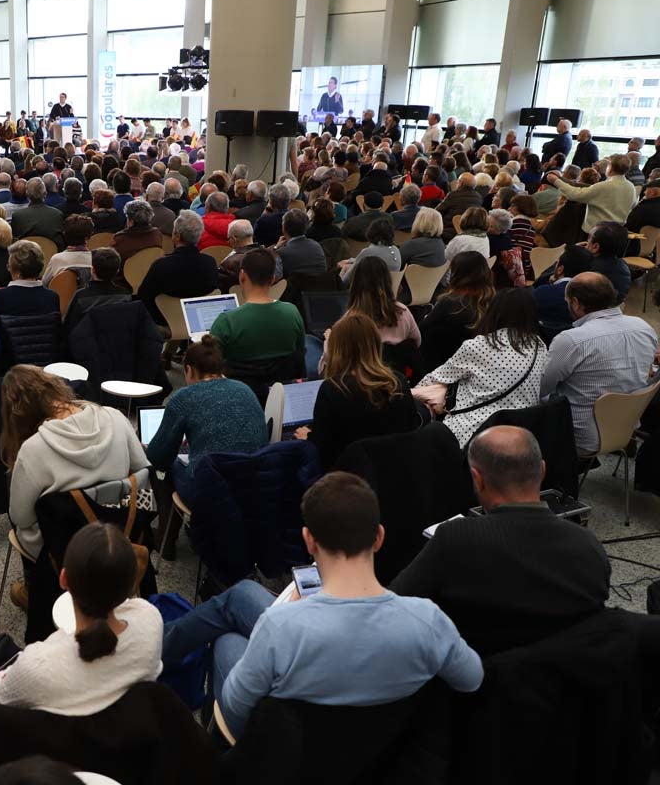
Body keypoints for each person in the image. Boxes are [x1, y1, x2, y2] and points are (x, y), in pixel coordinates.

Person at [160, 471, 482, 740]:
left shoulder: (281, 626)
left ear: (309, 540)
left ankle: (153, 656)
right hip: (374, 752)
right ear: (379, 537)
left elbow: (234, 709)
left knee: (227, 640)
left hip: (291, 752)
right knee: (242, 594)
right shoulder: (429, 621)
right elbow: (472, 680)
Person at [0, 523, 163, 783]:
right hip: (109, 747)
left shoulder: (40, 664)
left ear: (63, 579)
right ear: (132, 584)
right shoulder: (151, 622)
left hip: (45, 746)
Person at [391, 426, 609, 656]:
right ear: (542, 470)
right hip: (565, 671)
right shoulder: (589, 546)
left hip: (478, 671)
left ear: (477, 479)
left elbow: (396, 606)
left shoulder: (455, 539)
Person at [2, 365, 148, 560]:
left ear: (17, 414)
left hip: (61, 549)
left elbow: (21, 517)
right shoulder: (115, 417)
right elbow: (142, 471)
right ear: (56, 386)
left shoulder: (32, 450)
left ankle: (35, 577)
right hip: (118, 534)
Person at [540, 272, 658, 456]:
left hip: (580, 438)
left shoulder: (572, 340)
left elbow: (541, 388)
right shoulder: (644, 327)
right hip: (626, 429)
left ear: (576, 303)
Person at [413, 288, 549, 447]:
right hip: (519, 437)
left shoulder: (479, 346)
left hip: (471, 434)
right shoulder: (539, 347)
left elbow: (436, 378)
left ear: (494, 312)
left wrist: (412, 394)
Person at [146, 336, 266, 500]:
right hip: (255, 486)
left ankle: (168, 516)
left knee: (168, 466)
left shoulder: (183, 398)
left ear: (188, 369)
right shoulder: (245, 389)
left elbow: (158, 458)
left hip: (210, 492)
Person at [299, 313, 420, 469]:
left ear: (337, 349)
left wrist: (308, 438)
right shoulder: (398, 382)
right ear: (375, 344)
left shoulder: (332, 389)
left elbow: (323, 450)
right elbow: (412, 433)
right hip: (396, 471)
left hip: (348, 477)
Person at [210, 248, 305, 369]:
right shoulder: (293, 314)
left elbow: (210, 366)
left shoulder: (226, 321)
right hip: (283, 380)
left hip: (239, 381)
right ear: (273, 279)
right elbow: (300, 355)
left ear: (242, 276)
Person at [418, 250, 495, 371]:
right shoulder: (493, 300)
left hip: (446, 364)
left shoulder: (450, 302)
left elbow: (421, 329)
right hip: (479, 362)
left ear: (457, 274)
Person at [137, 210, 218, 324]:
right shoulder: (210, 263)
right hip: (201, 322)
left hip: (166, 322)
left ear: (177, 236)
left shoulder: (161, 266)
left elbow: (144, 297)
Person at [545, 154, 637, 232]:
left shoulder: (603, 186)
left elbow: (574, 194)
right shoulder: (631, 187)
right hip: (617, 232)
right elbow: (633, 206)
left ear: (610, 168)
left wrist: (556, 181)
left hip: (596, 232)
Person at [64, 247, 132, 333]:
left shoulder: (81, 297)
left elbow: (69, 326)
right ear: (117, 271)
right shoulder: (125, 296)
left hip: (88, 338)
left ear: (93, 270)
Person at [0, 240, 60, 317]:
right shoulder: (52, 297)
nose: (8, 269)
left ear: (17, 271)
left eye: (9, 266)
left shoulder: (2, 297)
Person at [340, 218, 400, 285]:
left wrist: (341, 276)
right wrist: (350, 260)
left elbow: (347, 279)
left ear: (371, 232)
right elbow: (379, 258)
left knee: (345, 268)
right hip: (389, 287)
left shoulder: (368, 252)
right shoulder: (395, 249)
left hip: (369, 288)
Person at [10, 178, 66, 248]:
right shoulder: (58, 214)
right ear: (45, 193)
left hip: (27, 253)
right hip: (53, 253)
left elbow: (14, 243)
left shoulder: (17, 216)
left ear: (27, 194)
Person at [42, 214, 94, 287]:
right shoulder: (95, 260)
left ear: (65, 234)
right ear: (89, 237)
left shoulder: (57, 259)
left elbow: (44, 284)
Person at [272, 208, 326, 277]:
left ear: (283, 228)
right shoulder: (317, 246)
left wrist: (275, 248)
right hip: (321, 283)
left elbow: (271, 277)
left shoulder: (280, 254)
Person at [436, 173, 483, 241]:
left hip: (450, 233)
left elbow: (438, 211)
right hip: (469, 234)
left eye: (458, 181)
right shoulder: (479, 197)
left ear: (461, 184)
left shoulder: (453, 195)